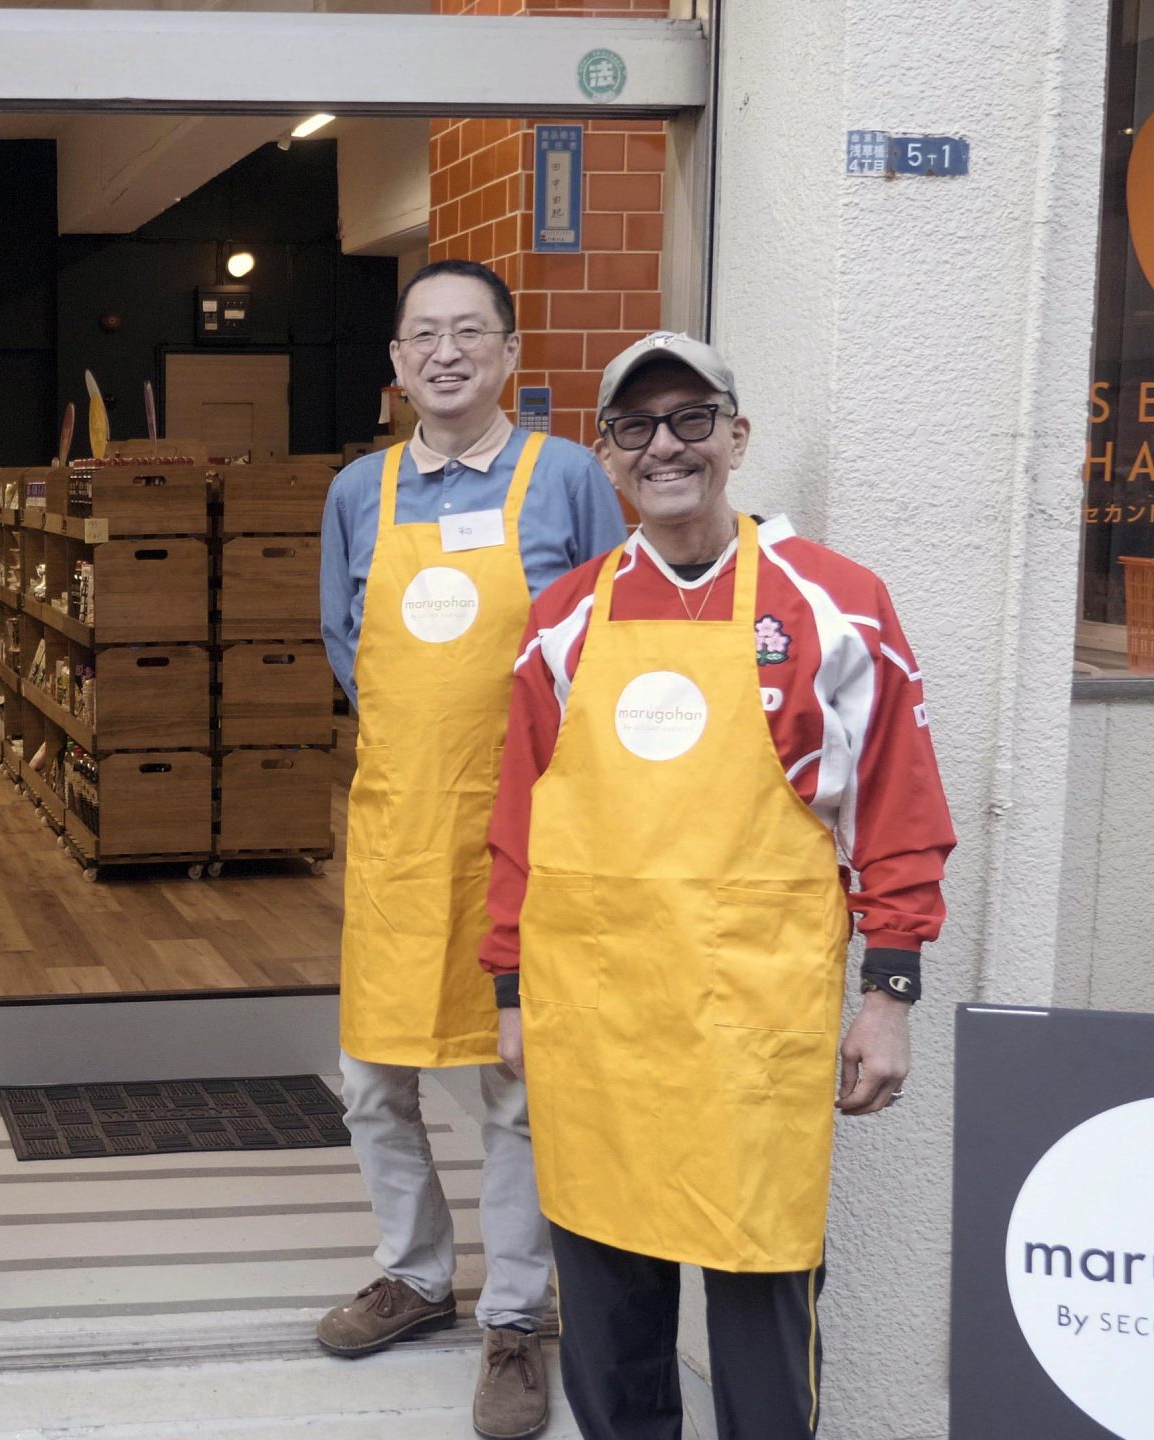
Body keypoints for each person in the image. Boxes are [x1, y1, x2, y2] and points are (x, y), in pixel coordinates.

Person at [483, 331, 954, 1438]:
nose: (665, 446)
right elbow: (518, 828)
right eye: (636, 427)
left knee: (760, 1333)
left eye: (691, 419)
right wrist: (510, 991)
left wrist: (889, 992)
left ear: (736, 438)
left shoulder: (838, 606)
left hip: (752, 1027)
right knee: (608, 1331)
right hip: (597, 1023)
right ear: (608, 457)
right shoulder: (564, 623)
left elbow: (897, 811)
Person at [315, 258, 626, 1439]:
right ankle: (412, 1272)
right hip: (401, 828)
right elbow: (344, 640)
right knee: (370, 1079)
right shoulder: (360, 490)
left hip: (527, 833)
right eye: (422, 336)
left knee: (516, 1089)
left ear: (507, 352)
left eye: (468, 333)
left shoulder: (570, 478)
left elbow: (608, 639)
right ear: (397, 361)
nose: (443, 354)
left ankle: (514, 1316)